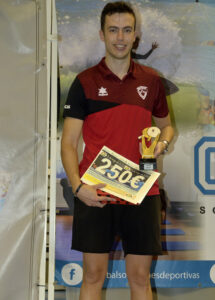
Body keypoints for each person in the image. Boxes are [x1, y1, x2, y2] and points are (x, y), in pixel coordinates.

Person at [61, 2, 174, 300]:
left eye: (126, 30)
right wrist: (77, 187)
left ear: (136, 35)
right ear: (102, 34)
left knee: (140, 278)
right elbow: (69, 143)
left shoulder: (151, 81)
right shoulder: (84, 81)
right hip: (96, 192)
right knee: (94, 276)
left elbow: (167, 126)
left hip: (142, 191)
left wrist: (160, 144)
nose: (120, 38)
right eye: (113, 30)